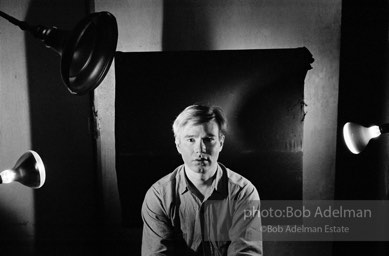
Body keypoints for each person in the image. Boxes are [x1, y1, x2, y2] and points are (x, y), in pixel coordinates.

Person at [141, 104, 262, 255]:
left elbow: (245, 253)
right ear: (178, 145)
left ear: (221, 143)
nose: (200, 149)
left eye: (208, 139)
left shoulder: (243, 192)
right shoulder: (158, 196)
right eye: (191, 140)